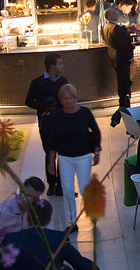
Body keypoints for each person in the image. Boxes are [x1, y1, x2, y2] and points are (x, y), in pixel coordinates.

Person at [41, 84, 101, 230]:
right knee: (67, 190)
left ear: (75, 98)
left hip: (83, 157)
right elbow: (52, 141)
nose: (68, 101)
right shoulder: (56, 117)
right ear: (61, 100)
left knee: (83, 188)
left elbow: (95, 131)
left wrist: (97, 151)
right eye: (65, 99)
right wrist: (51, 162)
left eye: (70, 98)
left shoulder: (84, 113)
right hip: (65, 158)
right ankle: (71, 222)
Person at [0, 199, 94, 270]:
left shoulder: (10, 238)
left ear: (28, 218)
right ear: (49, 220)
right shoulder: (58, 238)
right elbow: (80, 263)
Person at [25, 53, 68, 196]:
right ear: (52, 66)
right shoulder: (37, 83)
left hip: (61, 121)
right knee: (49, 152)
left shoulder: (63, 81)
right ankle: (52, 182)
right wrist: (43, 106)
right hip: (46, 123)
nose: (62, 66)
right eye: (60, 64)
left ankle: (61, 185)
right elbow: (29, 101)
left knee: (62, 152)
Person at [0, 177, 46, 244]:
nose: (30, 201)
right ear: (20, 192)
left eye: (35, 199)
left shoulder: (31, 211)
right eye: (28, 196)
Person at [101, 6, 135, 117]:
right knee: (124, 80)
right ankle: (125, 103)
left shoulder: (105, 27)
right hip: (122, 59)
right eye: (115, 13)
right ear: (110, 16)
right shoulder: (117, 28)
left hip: (113, 58)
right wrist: (130, 56)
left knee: (121, 80)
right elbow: (125, 45)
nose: (117, 14)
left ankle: (123, 101)